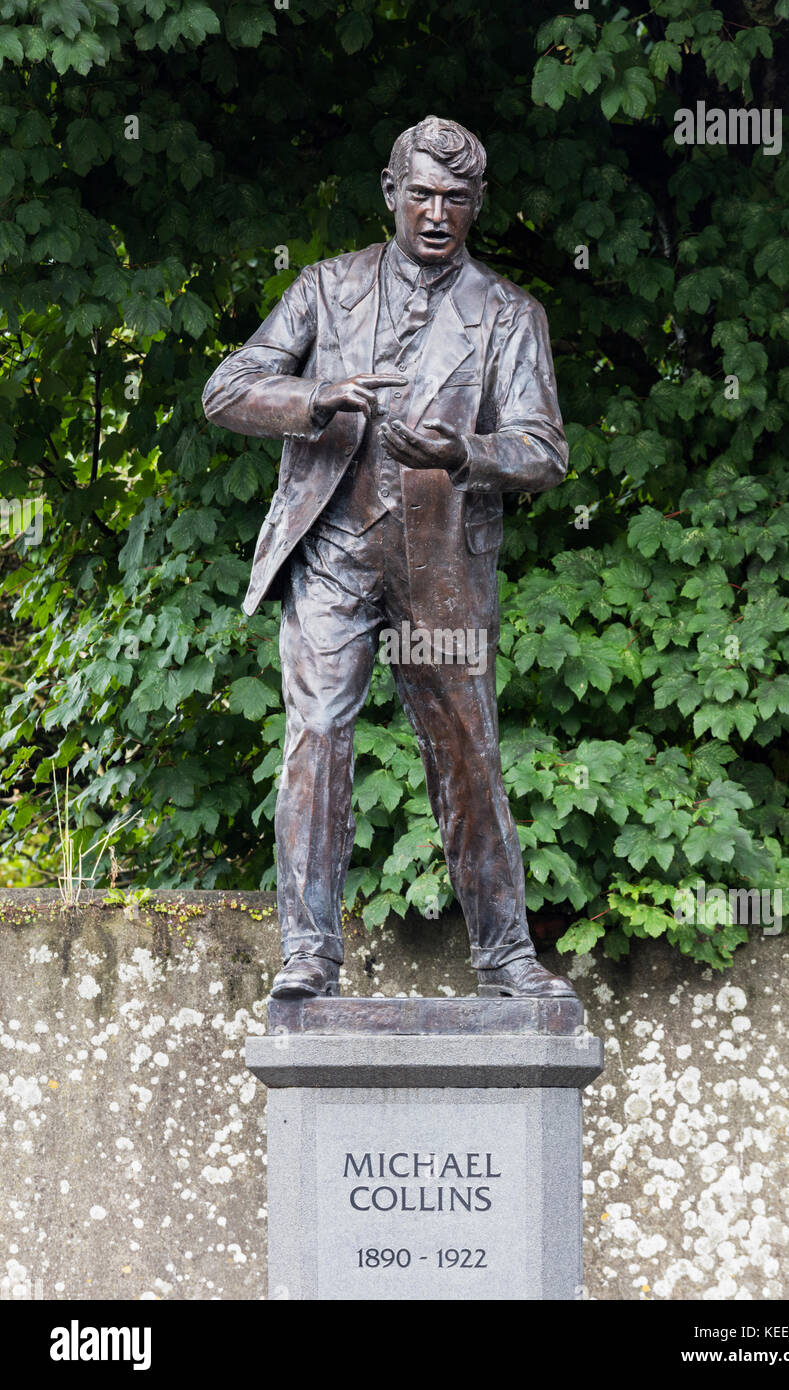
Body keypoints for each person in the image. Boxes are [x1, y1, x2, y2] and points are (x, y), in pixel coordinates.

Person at [202, 116, 576, 1001]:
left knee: (466, 752)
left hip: (442, 565)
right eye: (421, 194)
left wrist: (468, 455)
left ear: (478, 204)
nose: (436, 213)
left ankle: (506, 956)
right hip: (333, 549)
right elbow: (226, 389)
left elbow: (545, 451)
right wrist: (312, 396)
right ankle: (308, 954)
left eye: (455, 198)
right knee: (318, 735)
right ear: (390, 192)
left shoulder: (511, 315)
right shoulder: (325, 289)